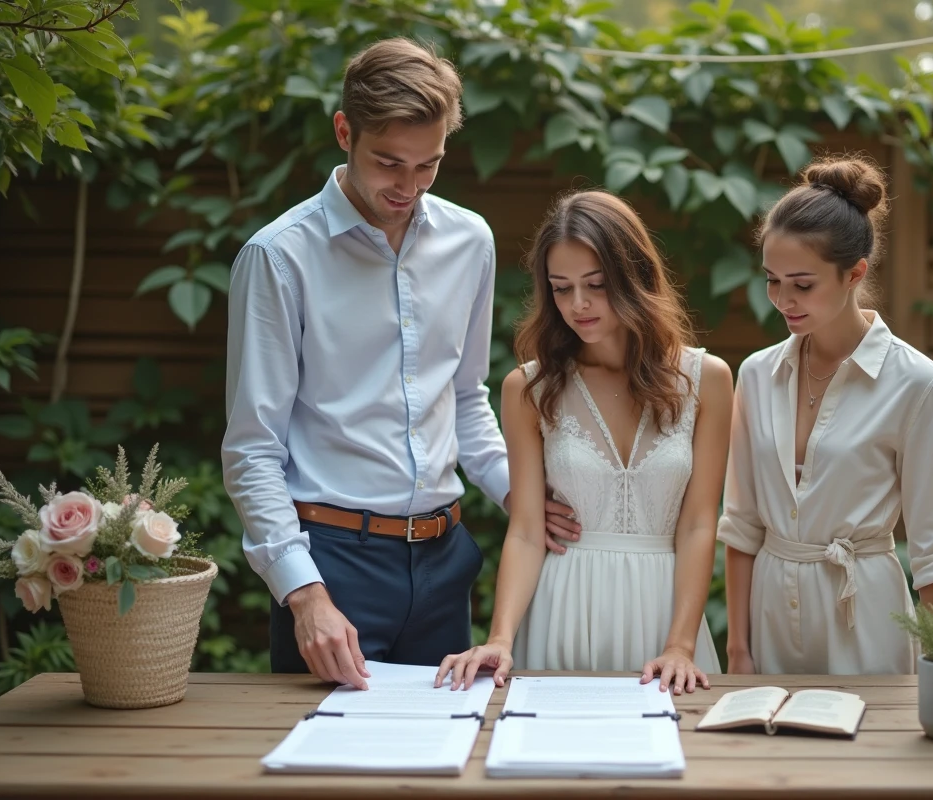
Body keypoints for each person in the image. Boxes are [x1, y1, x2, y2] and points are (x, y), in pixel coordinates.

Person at [221, 37, 575, 690]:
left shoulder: (471, 242)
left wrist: (521, 496)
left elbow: (465, 398)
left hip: (446, 564)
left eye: (428, 165)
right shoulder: (278, 258)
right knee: (326, 772)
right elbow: (251, 449)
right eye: (389, 163)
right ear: (343, 132)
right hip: (334, 566)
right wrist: (304, 594)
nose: (407, 187)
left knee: (444, 763)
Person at [435, 191, 732, 695]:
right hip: (560, 608)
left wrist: (681, 644)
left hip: (666, 618)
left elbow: (700, 522)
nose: (578, 305)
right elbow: (528, 530)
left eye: (596, 285)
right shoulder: (530, 388)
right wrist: (501, 637)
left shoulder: (708, 380)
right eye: (561, 288)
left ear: (633, 276)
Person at [719, 155, 933, 675]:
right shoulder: (756, 375)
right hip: (769, 616)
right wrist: (738, 650)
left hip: (866, 616)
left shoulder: (918, 383)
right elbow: (741, 526)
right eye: (771, 280)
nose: (782, 300)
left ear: (855, 273)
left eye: (802, 284)